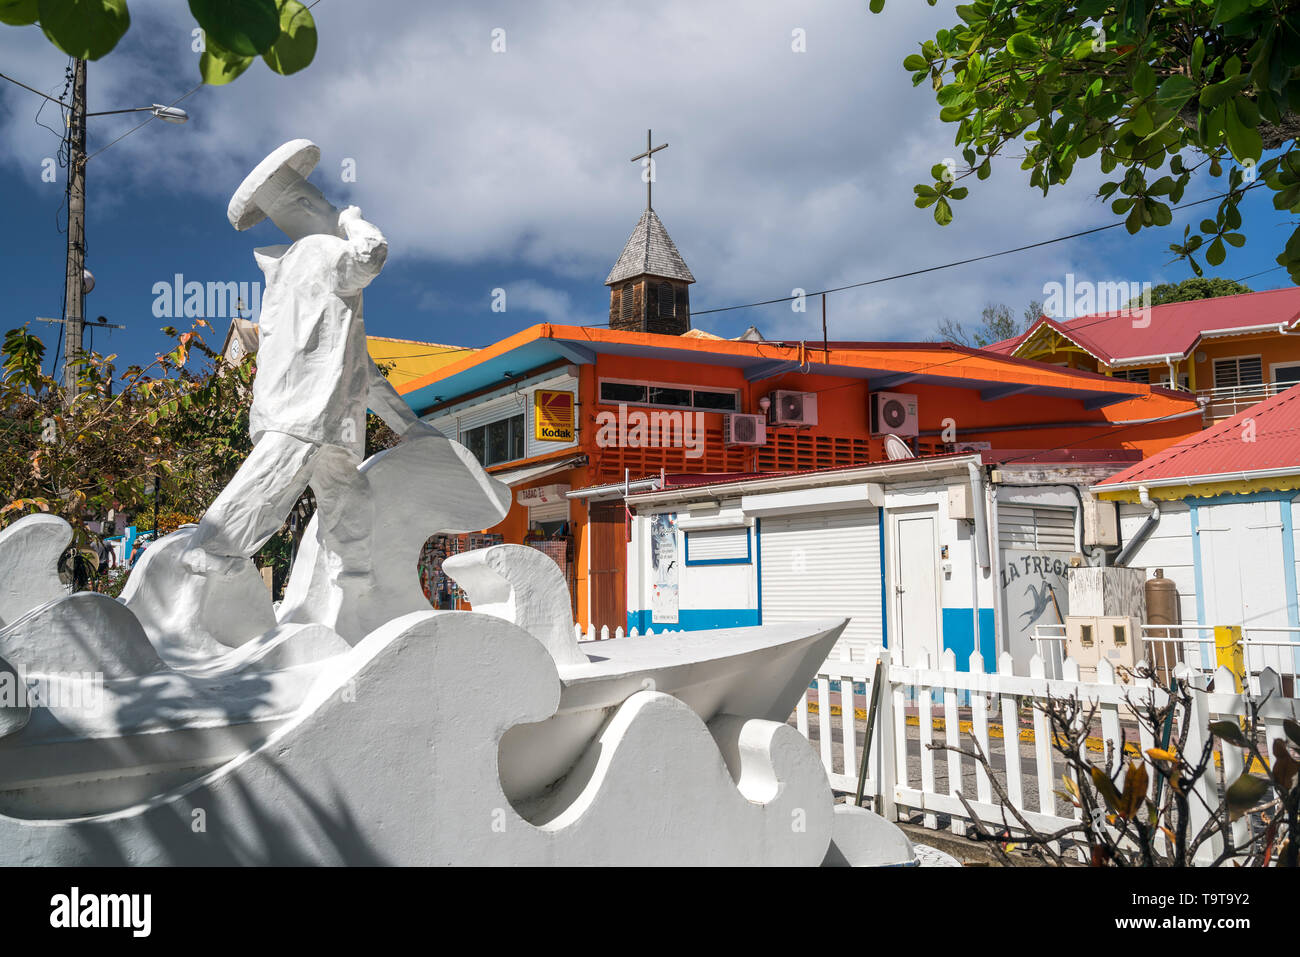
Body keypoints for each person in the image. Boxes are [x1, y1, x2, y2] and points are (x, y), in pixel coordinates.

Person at [184, 139, 433, 577]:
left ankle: (354, 583)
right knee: (264, 490)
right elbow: (370, 255)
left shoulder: (293, 272)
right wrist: (354, 221)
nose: (334, 207)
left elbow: (360, 370)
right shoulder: (319, 250)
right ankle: (203, 559)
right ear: (306, 203)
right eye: (324, 200)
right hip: (305, 413)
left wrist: (409, 426)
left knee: (349, 503)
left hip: (325, 418)